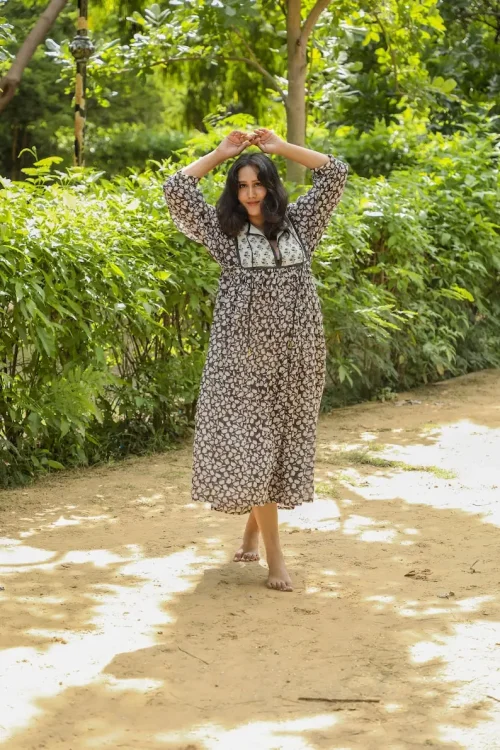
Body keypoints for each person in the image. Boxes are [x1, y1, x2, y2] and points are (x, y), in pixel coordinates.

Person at [163, 128, 348, 592]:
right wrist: (220, 152)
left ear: (271, 186)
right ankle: (275, 559)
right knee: (253, 448)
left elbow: (335, 173)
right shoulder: (224, 232)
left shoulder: (301, 223)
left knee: (276, 450)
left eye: (258, 184)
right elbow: (176, 188)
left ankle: (251, 533)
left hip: (297, 357)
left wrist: (281, 148)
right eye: (242, 186)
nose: (250, 194)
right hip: (240, 361)